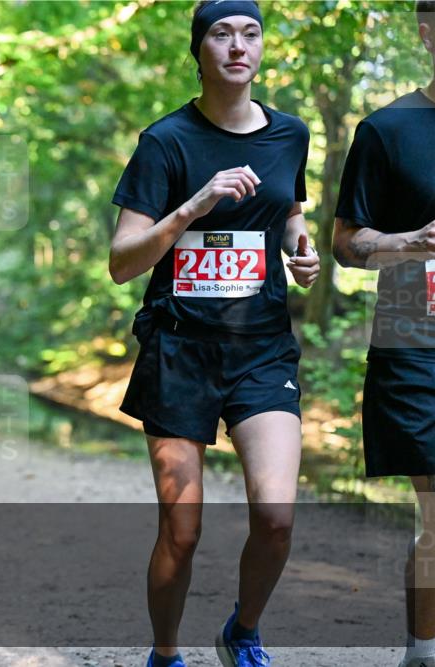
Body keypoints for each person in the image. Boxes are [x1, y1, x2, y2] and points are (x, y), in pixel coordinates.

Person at [108, 2, 319, 665]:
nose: (237, 45)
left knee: (278, 516)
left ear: (262, 48)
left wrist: (299, 247)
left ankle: (242, 629)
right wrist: (196, 203)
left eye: (250, 33)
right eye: (221, 34)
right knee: (182, 529)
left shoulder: (291, 134)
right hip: (180, 351)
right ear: (198, 49)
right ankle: (166, 652)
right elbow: (122, 262)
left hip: (261, 349)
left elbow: (286, 208)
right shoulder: (166, 142)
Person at [331, 4, 435, 665]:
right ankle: (424, 650)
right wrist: (408, 242)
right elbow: (345, 241)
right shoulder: (387, 128)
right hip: (415, 347)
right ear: (427, 30)